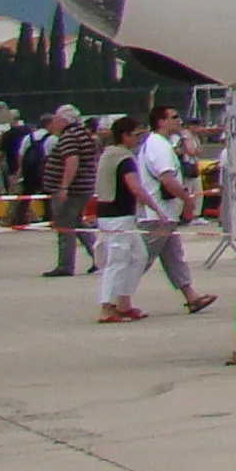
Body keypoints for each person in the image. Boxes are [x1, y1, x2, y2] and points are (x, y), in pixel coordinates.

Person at [131, 102, 219, 315]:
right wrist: (187, 200)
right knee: (140, 259)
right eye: (174, 117)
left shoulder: (162, 144)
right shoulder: (158, 146)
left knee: (174, 257)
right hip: (158, 215)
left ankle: (192, 296)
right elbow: (167, 179)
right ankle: (116, 300)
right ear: (161, 121)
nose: (179, 121)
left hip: (166, 214)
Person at [90, 114, 152, 322]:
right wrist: (155, 208)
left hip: (113, 214)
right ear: (124, 136)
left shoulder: (108, 153)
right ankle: (107, 307)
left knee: (138, 256)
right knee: (117, 261)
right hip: (118, 216)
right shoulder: (124, 158)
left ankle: (124, 302)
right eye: (136, 135)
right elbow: (135, 188)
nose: (138, 139)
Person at [42, 104, 98, 278]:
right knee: (78, 224)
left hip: (72, 190)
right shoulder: (84, 135)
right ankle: (100, 257)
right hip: (83, 187)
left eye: (56, 119)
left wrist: (64, 186)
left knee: (65, 226)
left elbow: (72, 160)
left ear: (63, 120)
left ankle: (65, 265)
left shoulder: (69, 137)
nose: (54, 123)